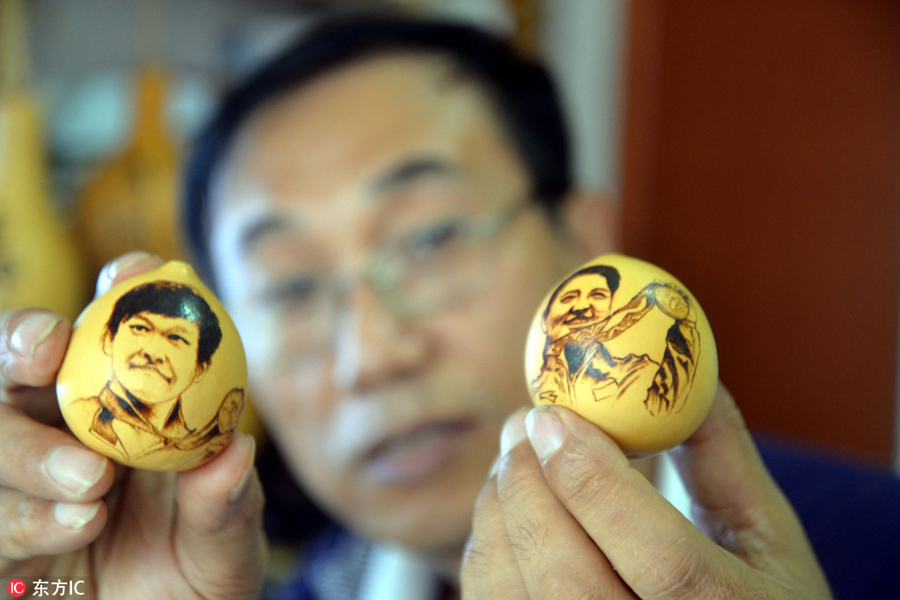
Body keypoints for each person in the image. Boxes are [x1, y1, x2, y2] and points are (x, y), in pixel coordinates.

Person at [1, 7, 897, 600]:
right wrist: (45, 590)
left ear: (588, 242)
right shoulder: (248, 588)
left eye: (428, 239)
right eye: (290, 290)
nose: (373, 354)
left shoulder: (872, 552)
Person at [66, 280, 242, 465]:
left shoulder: (199, 448)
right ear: (108, 339)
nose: (153, 353)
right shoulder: (78, 411)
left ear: (200, 368)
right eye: (141, 328)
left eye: (175, 338)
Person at [532, 263, 700, 416]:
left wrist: (685, 329)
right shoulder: (539, 382)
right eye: (568, 298)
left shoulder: (637, 373)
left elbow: (666, 409)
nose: (582, 307)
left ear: (609, 311)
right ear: (544, 322)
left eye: (598, 295)